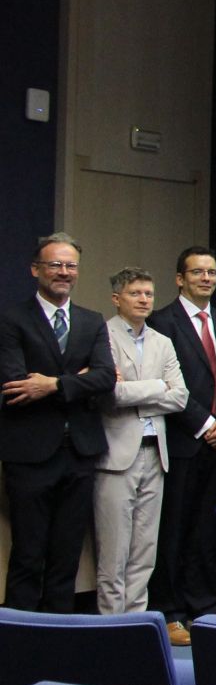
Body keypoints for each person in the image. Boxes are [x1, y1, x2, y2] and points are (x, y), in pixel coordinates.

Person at [1, 234, 116, 613]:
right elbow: (15, 384)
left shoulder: (91, 321)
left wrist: (51, 383)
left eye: (70, 266)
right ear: (36, 269)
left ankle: (59, 642)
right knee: (28, 556)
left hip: (80, 454)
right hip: (30, 454)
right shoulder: (11, 319)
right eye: (55, 265)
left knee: (66, 557)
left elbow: (105, 378)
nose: (64, 273)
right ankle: (18, 643)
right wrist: (79, 382)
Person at [149, 246, 216, 645]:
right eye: (197, 272)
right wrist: (205, 422)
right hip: (183, 439)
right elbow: (167, 384)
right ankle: (171, 611)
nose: (205, 278)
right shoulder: (162, 322)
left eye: (211, 272)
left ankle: (205, 606)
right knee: (175, 530)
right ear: (180, 278)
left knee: (209, 531)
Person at [93, 267, 185, 613]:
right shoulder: (102, 337)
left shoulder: (163, 341)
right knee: (114, 552)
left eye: (148, 293)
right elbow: (109, 394)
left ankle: (135, 624)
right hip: (116, 456)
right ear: (117, 299)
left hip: (155, 454)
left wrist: (139, 391)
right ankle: (109, 626)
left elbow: (180, 397)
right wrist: (157, 386)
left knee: (144, 551)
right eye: (135, 293)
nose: (144, 299)